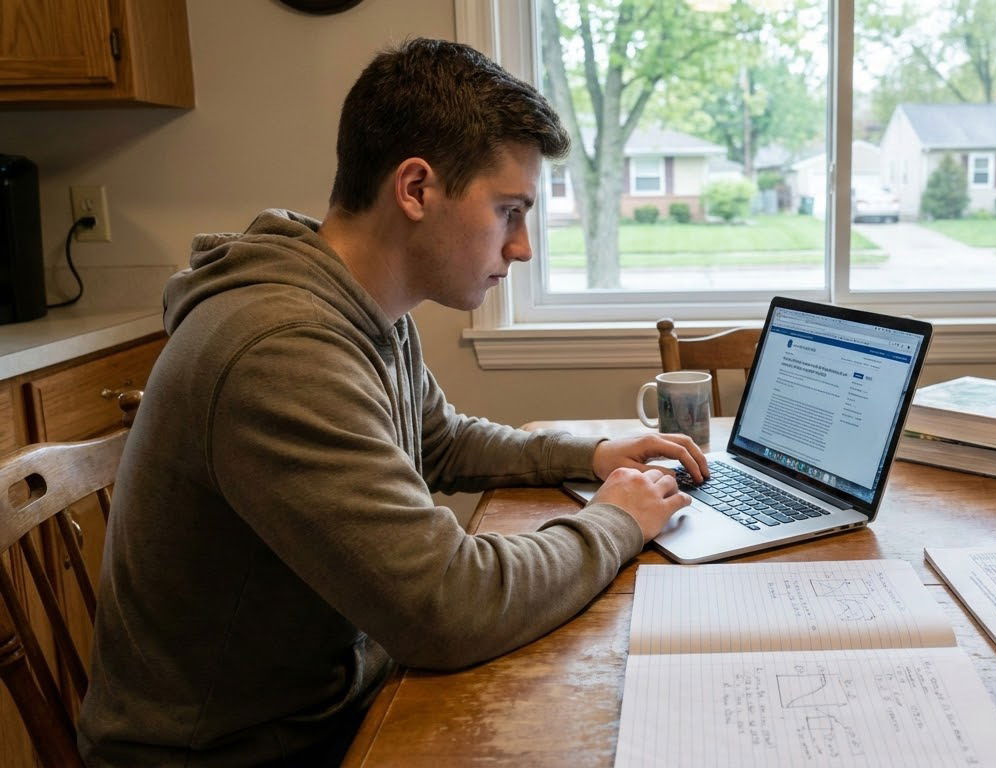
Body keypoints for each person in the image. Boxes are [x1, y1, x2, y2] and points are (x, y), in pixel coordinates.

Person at [78, 39, 707, 767]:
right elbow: (447, 607)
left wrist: (591, 456)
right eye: (509, 211)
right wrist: (614, 522)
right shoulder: (278, 349)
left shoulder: (361, 305)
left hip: (325, 704)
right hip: (231, 753)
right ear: (415, 189)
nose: (524, 247)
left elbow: (439, 440)